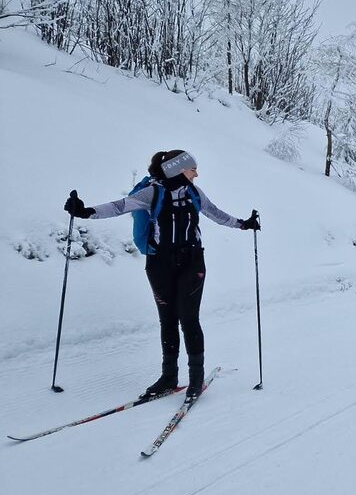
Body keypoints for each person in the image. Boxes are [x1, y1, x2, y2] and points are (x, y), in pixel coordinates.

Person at [63, 150, 259, 400]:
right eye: (192, 169)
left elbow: (216, 213)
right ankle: (169, 377)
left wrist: (244, 224)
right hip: (159, 264)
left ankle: (195, 379)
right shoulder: (152, 193)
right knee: (167, 320)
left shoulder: (193, 193)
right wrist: (85, 211)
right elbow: (119, 206)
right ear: (177, 169)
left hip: (192, 262)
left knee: (189, 319)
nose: (196, 174)